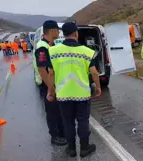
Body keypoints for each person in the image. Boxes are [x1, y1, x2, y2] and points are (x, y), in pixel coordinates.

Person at [48, 22, 101, 158]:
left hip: (63, 94)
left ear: (63, 34)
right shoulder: (87, 52)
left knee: (68, 122)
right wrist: (98, 88)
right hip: (82, 94)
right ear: (76, 33)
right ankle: (84, 148)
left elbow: (51, 74)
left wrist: (51, 91)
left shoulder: (53, 51)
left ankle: (71, 149)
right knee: (83, 120)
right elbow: (94, 73)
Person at [33, 20, 66, 146]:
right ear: (52, 31)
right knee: (52, 112)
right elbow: (42, 69)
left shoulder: (50, 45)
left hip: (53, 84)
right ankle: (55, 136)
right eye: (57, 30)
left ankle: (62, 133)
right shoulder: (43, 47)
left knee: (58, 111)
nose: (58, 32)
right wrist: (50, 89)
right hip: (47, 85)